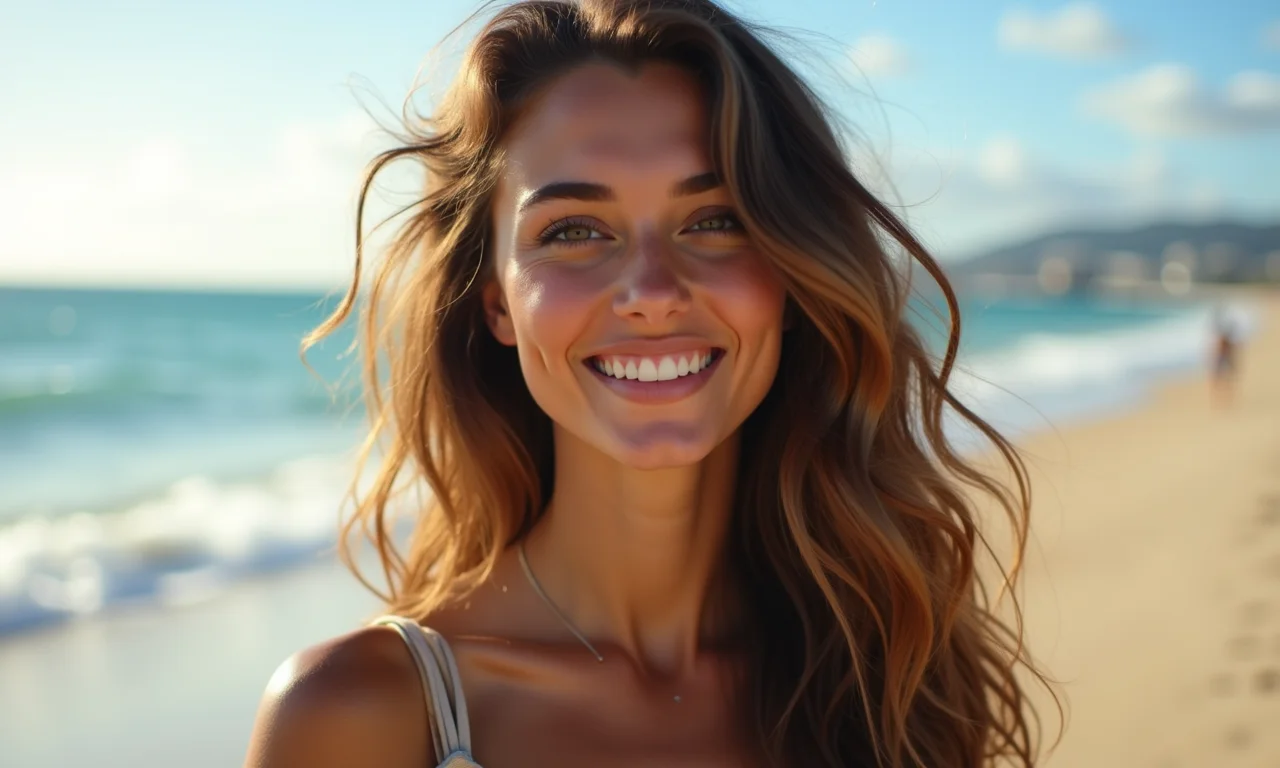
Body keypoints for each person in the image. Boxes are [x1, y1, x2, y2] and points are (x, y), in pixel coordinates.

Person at [244, 1, 1053, 766]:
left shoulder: (889, 676)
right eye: (572, 231)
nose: (654, 290)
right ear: (496, 301)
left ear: (791, 271)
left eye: (716, 219)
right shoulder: (366, 715)